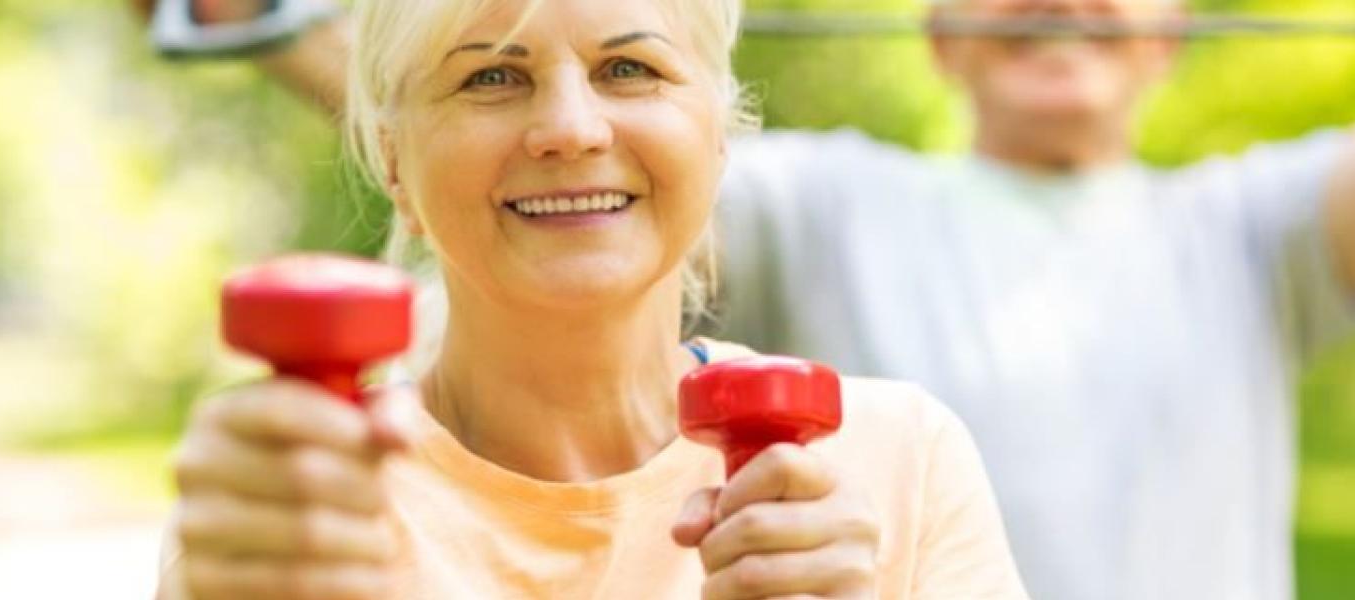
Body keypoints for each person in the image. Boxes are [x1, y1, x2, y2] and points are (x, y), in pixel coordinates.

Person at [138, 0, 1355, 597]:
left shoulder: (1243, 226)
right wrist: (258, 18)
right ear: (941, 36)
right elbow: (538, 146)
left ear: (1170, 34)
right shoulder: (834, 194)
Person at [154, 0, 1029, 598]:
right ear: (392, 161)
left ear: (720, 136)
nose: (571, 129)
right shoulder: (302, 500)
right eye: (490, 78)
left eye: (628, 67)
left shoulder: (899, 459)